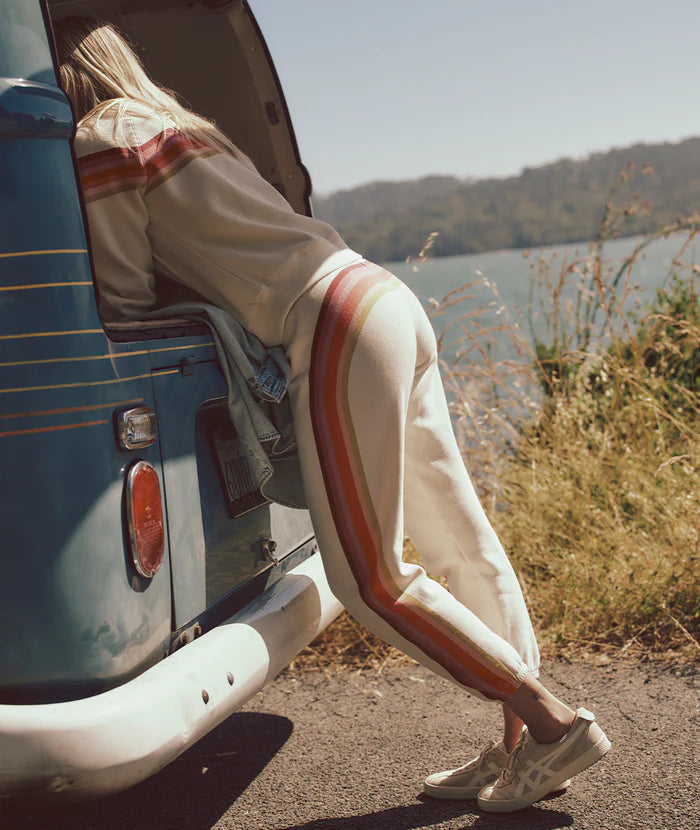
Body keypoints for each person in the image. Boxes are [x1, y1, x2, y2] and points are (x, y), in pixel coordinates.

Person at [54, 17, 610, 813]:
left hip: (335, 323)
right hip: (378, 293)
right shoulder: (184, 127)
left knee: (371, 580)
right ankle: (519, 749)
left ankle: (552, 725)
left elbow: (121, 295)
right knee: (459, 535)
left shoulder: (99, 140)